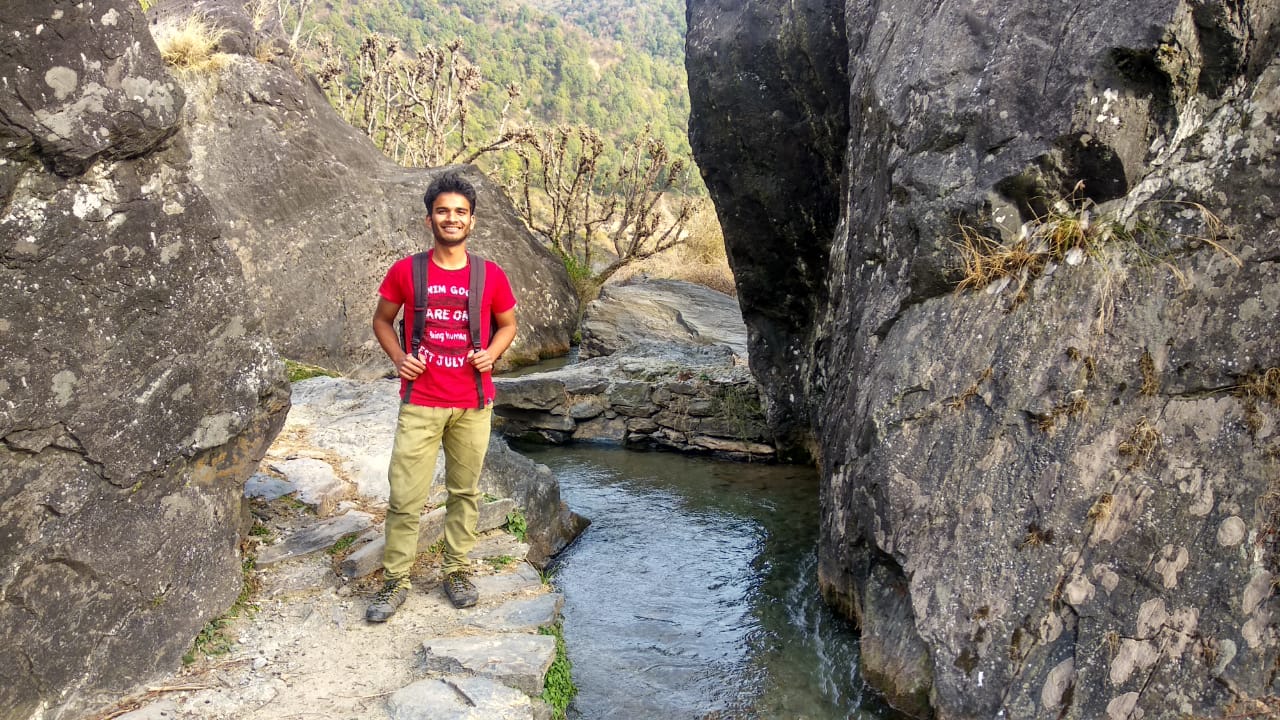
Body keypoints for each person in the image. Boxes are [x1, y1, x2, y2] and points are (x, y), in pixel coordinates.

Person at [366, 172, 517, 621]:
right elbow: (381, 321)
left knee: (464, 492)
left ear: (471, 220)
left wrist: (491, 353)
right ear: (429, 217)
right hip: (421, 402)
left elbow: (507, 325)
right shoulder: (406, 271)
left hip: (473, 402)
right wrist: (398, 358)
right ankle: (395, 581)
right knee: (405, 496)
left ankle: (456, 570)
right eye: (443, 211)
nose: (452, 219)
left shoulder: (489, 275)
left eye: (460, 212)